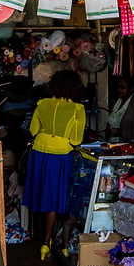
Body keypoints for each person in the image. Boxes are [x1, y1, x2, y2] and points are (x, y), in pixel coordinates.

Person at [25, 69, 86, 246]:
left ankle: (39, 236)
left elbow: (33, 130)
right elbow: (76, 139)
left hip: (39, 152)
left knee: (40, 195)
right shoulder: (77, 109)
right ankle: (47, 242)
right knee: (52, 199)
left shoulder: (42, 104)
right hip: (60, 155)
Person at [104, 74, 134, 145]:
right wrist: (108, 131)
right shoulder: (115, 103)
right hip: (113, 145)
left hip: (130, 147)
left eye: (123, 87)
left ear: (131, 89)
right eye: (118, 86)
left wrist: (121, 132)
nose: (119, 89)